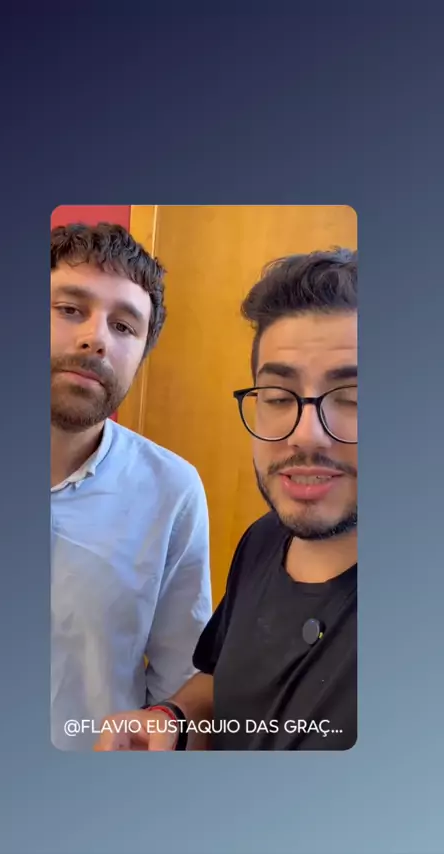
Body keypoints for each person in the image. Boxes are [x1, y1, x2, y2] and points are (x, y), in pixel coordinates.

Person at [94, 248, 358, 751]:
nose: (305, 434)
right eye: (277, 397)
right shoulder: (265, 539)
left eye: (353, 397)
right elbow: (221, 680)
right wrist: (173, 716)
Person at [50, 222, 212, 750]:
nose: (96, 337)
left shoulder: (171, 490)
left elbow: (180, 683)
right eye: (69, 309)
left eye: (124, 326)